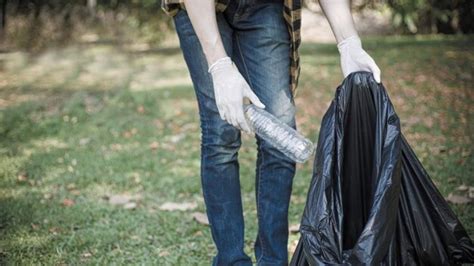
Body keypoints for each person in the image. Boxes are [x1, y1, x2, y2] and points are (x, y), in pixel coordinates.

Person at [161, 0, 381, 265]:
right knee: (221, 134)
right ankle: (231, 260)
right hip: (200, 9)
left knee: (280, 135)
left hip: (265, 6)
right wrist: (219, 67)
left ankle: (272, 261)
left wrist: (349, 42)